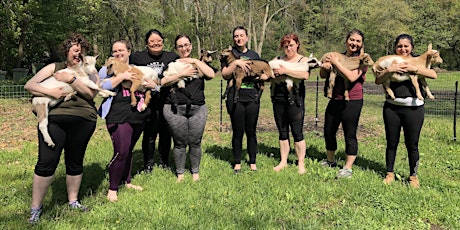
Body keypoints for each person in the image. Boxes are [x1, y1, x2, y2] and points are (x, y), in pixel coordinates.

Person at [24, 33, 98, 224]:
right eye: (74, 50)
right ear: (66, 51)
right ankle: (35, 208)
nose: (78, 54)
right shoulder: (53, 67)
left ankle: (73, 201)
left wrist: (71, 79)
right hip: (55, 120)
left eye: (81, 52)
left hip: (83, 119)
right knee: (46, 162)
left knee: (75, 161)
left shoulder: (90, 71)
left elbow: (91, 94)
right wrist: (50, 91)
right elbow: (30, 85)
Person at [98, 39, 158, 201]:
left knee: (129, 149)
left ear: (129, 51)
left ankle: (127, 181)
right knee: (121, 151)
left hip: (137, 116)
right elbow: (100, 86)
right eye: (115, 51)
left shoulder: (137, 69)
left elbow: (151, 85)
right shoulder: (107, 68)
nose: (118, 54)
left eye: (121, 50)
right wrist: (122, 76)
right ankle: (113, 189)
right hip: (118, 115)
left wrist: (153, 85)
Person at [375, 34, 437, 188]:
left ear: (412, 47)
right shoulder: (391, 61)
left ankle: (413, 176)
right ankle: (389, 173)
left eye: (406, 46)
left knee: (412, 144)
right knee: (391, 142)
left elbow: (433, 75)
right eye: (400, 46)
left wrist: (413, 69)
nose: (403, 49)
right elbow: (378, 80)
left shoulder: (417, 61)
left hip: (414, 109)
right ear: (395, 48)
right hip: (392, 108)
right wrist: (390, 70)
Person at [160, 35, 215, 182]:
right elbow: (162, 81)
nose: (184, 48)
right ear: (176, 49)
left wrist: (195, 61)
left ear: (191, 46)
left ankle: (195, 172)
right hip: (175, 108)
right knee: (179, 142)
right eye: (180, 46)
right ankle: (180, 173)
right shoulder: (172, 64)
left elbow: (211, 74)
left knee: (195, 141)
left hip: (198, 108)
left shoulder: (197, 64)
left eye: (186, 45)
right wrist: (181, 74)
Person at [320, 29, 368, 179]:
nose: (354, 43)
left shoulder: (363, 60)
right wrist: (325, 67)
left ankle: (347, 168)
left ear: (361, 44)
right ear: (347, 40)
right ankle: (330, 160)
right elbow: (323, 76)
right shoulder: (338, 56)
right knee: (328, 130)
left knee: (350, 133)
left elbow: (351, 77)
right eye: (352, 40)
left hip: (353, 100)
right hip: (335, 99)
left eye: (358, 41)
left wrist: (335, 63)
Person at [221, 26, 269, 173]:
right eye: (236, 36)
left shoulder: (254, 54)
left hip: (252, 97)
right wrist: (236, 63)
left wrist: (264, 77)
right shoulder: (229, 55)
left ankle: (252, 161)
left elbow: (263, 73)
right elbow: (225, 74)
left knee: (251, 130)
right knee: (237, 130)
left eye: (241, 35)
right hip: (235, 98)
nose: (239, 38)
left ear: (247, 38)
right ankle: (237, 162)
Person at [130, 29, 179, 172]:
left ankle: (164, 162)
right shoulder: (137, 57)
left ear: (163, 42)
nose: (155, 43)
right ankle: (148, 164)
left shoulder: (171, 57)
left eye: (158, 41)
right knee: (150, 134)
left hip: (167, 101)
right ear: (146, 44)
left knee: (166, 133)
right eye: (152, 41)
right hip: (147, 102)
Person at [271, 33, 310, 174]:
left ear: (297, 45)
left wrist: (285, 71)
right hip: (278, 97)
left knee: (297, 131)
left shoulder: (303, 60)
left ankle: (301, 163)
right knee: (282, 131)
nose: (289, 48)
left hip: (296, 98)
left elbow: (305, 75)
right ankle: (283, 161)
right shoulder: (277, 59)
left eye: (291, 45)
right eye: (286, 46)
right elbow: (269, 74)